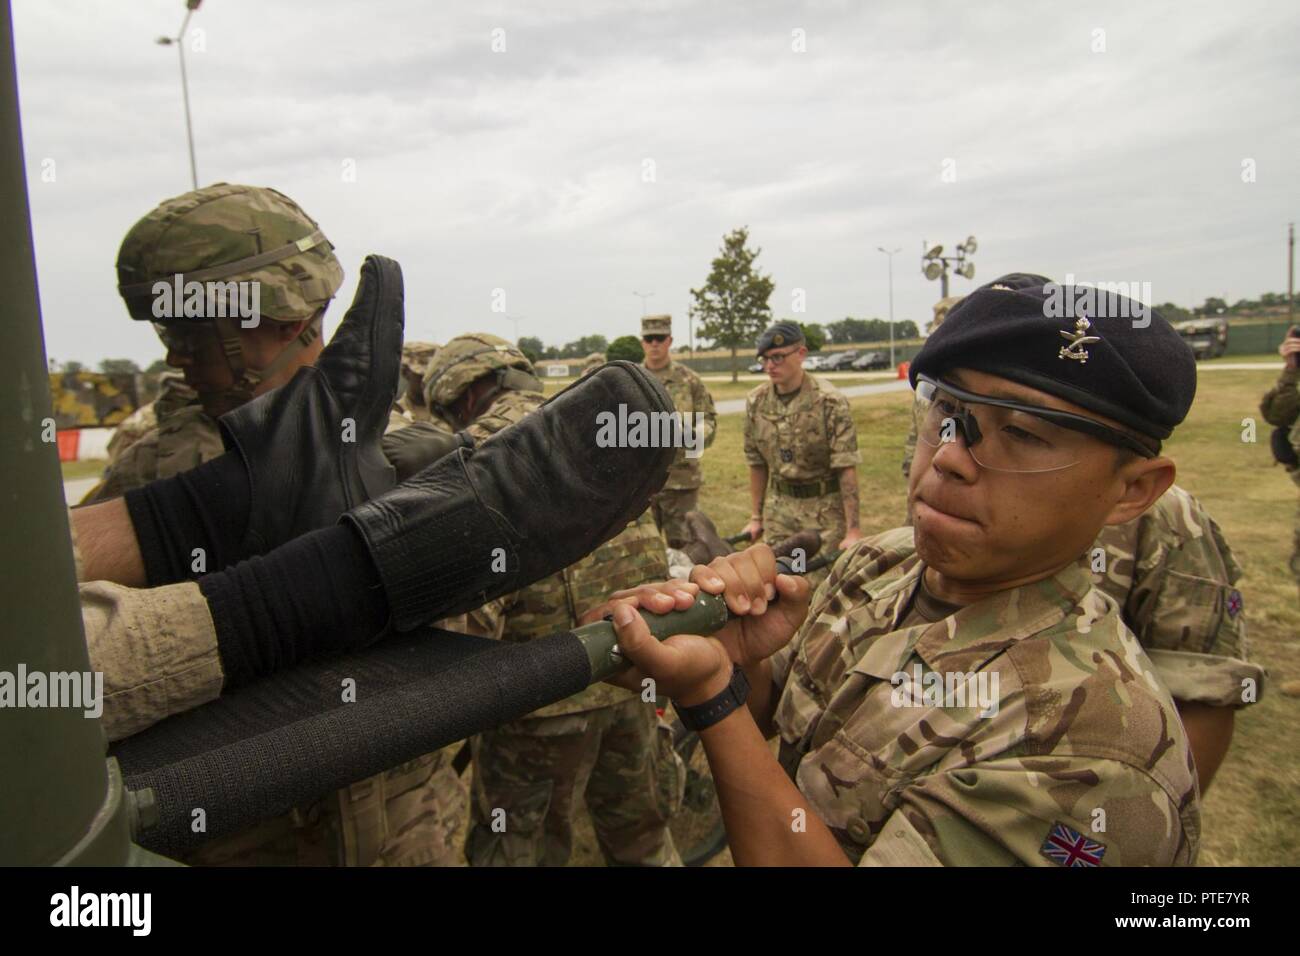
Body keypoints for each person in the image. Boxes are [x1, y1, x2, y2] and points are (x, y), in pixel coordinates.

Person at [597, 274, 1212, 866]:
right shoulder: (882, 564)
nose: (949, 457)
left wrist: (711, 701)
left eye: (1021, 434)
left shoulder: (1093, 748)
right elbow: (773, 714)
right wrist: (732, 661)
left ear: (1133, 490)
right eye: (946, 412)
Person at [422, 334, 684, 867]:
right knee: (644, 843)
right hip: (635, 679)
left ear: (464, 396)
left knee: (521, 850)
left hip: (541, 704)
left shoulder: (476, 454)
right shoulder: (596, 424)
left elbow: (465, 628)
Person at [83, 184, 344, 505]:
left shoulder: (392, 454)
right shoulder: (156, 464)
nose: (175, 357)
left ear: (287, 319)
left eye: (192, 336)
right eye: (168, 332)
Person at [743, 322, 862, 573]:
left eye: (777, 357)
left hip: (823, 513)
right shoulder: (756, 402)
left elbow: (846, 466)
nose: (769, 366)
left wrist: (853, 530)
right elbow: (756, 463)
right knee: (775, 586)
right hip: (778, 511)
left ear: (801, 354)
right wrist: (756, 517)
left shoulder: (830, 401)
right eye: (764, 359)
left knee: (820, 592)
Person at [638, 315, 716, 547]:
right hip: (641, 486)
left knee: (686, 553)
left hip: (681, 484)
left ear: (669, 340)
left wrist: (694, 435)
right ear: (642, 342)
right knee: (645, 555)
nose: (654, 344)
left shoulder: (690, 381)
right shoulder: (632, 380)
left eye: (659, 338)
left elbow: (709, 420)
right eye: (649, 338)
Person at [902, 296, 965, 478]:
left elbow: (948, 438)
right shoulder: (927, 385)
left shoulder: (960, 391)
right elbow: (917, 429)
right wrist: (910, 467)